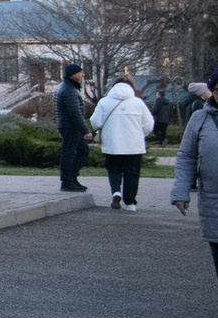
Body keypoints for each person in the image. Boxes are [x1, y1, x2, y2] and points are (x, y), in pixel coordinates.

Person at [171, 65, 218, 318]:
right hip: (216, 200)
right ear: (211, 90)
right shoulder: (200, 119)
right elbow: (187, 157)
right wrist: (180, 191)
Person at [90, 75, 154, 210]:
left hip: (112, 143)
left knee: (114, 169)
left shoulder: (104, 102)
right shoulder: (138, 103)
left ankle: (116, 191)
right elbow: (149, 124)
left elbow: (95, 122)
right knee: (132, 173)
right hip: (134, 146)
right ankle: (130, 203)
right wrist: (139, 134)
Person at [55, 62, 93, 193]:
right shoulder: (69, 89)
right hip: (70, 126)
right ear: (73, 75)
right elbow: (75, 112)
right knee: (71, 153)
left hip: (69, 126)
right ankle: (68, 181)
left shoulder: (68, 86)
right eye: (80, 72)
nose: (83, 74)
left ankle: (71, 178)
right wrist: (85, 130)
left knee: (80, 151)